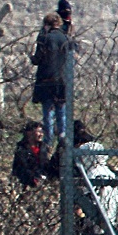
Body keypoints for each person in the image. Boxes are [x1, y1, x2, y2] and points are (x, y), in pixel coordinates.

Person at [31, 11, 72, 141]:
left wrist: (31, 57)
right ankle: (62, 139)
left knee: (48, 113)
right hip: (62, 80)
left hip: (46, 80)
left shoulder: (45, 38)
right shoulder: (65, 38)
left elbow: (37, 59)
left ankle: (47, 142)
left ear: (46, 25)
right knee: (61, 113)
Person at [13, 122, 57, 189]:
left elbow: (47, 165)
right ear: (29, 133)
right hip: (27, 184)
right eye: (39, 132)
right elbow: (21, 169)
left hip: (45, 183)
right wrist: (33, 179)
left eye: (42, 132)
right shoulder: (21, 149)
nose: (41, 134)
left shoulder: (43, 148)